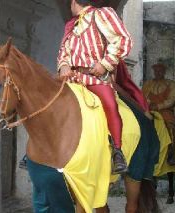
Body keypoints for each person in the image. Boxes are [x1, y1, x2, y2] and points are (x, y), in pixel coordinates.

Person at [57, 0, 133, 174]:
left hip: (94, 77)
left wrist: (105, 63)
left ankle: (117, 151)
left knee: (110, 105)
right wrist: (64, 65)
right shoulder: (72, 26)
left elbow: (123, 39)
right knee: (48, 101)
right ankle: (42, 145)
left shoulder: (101, 14)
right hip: (72, 79)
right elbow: (64, 52)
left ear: (74, 2)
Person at [142, 63, 175, 165]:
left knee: (169, 124)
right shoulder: (148, 84)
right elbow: (143, 97)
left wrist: (158, 106)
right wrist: (150, 104)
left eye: (160, 71)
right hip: (149, 109)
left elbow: (171, 100)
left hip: (165, 110)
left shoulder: (172, 84)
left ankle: (171, 153)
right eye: (156, 71)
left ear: (164, 72)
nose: (158, 73)